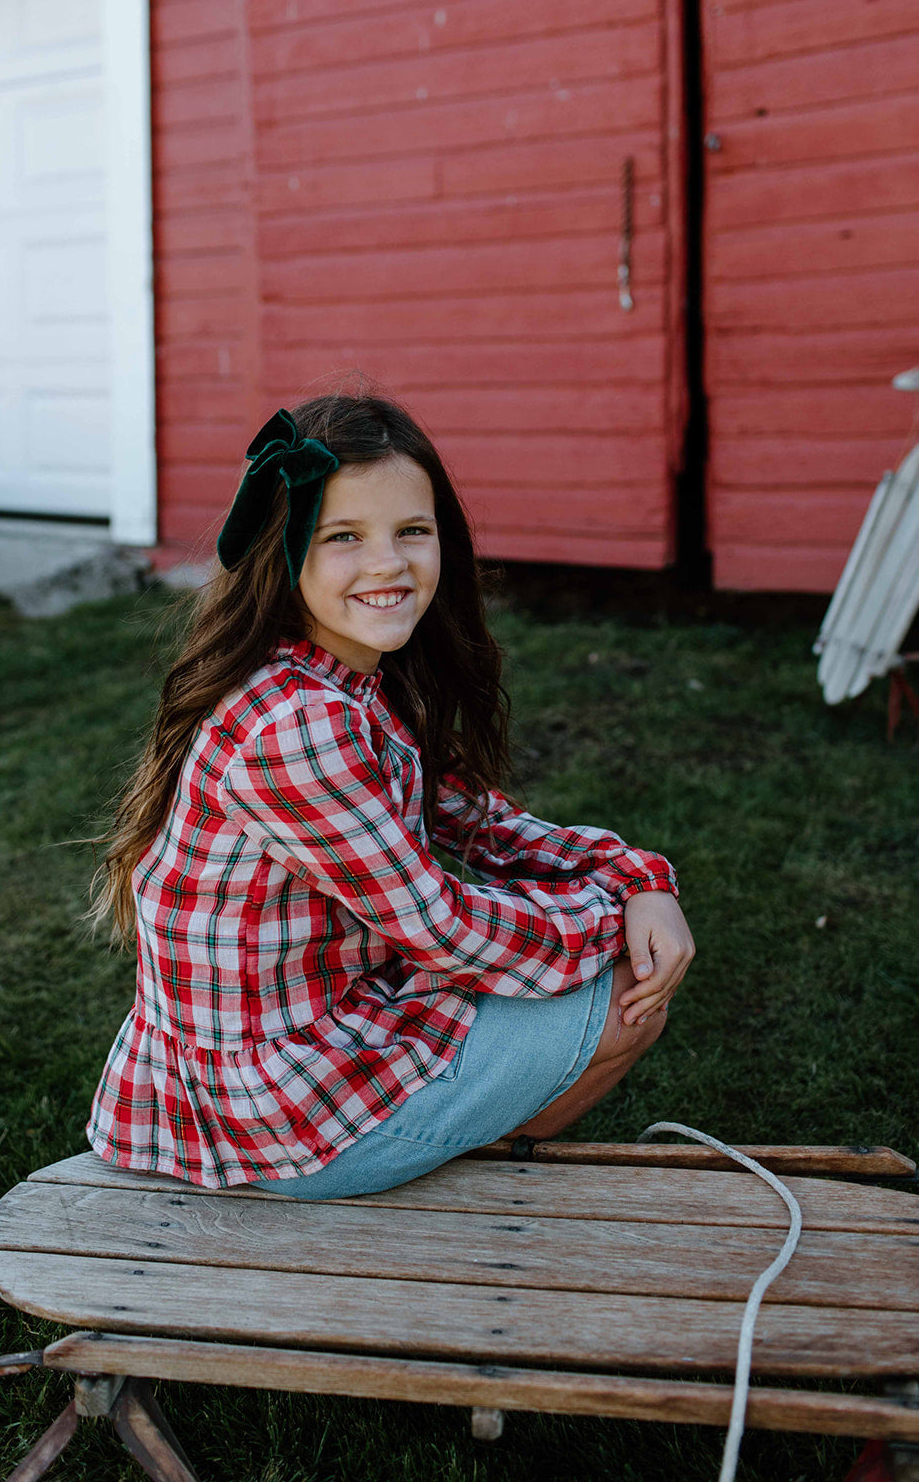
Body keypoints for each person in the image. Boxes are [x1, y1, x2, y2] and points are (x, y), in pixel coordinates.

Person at [87, 393, 694, 1197]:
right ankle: (450, 1179)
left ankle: (450, 1148)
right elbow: (440, 927)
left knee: (602, 956)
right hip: (278, 1116)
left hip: (301, 1047)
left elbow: (476, 820)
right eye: (344, 537)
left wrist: (633, 873)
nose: (388, 564)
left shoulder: (334, 677)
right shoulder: (298, 726)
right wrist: (613, 918)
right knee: (626, 985)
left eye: (412, 530)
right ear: (286, 550)